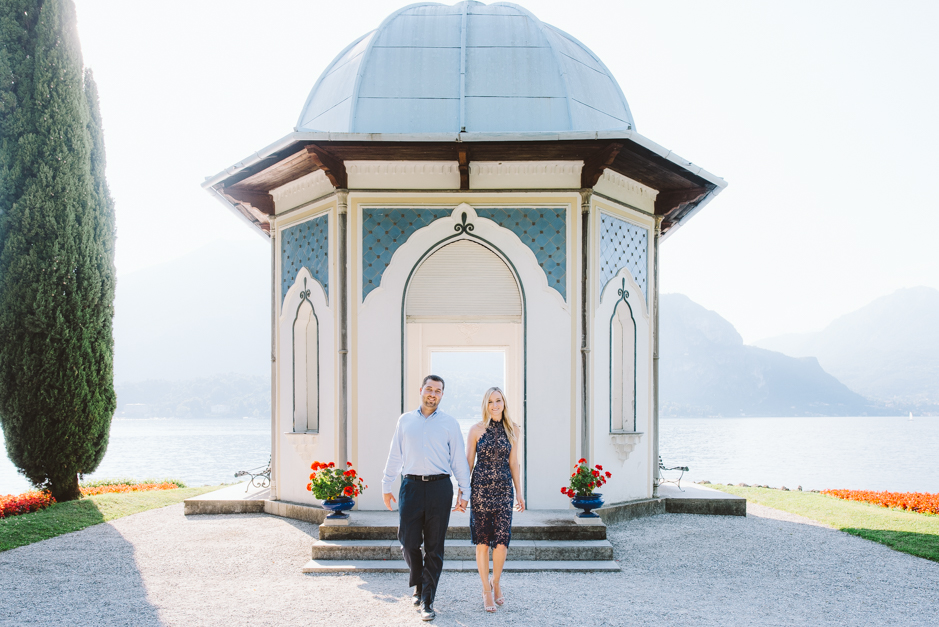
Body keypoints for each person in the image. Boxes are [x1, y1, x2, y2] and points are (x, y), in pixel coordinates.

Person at [382, 374, 471, 622]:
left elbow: (458, 461)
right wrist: (386, 484)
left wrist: (465, 492)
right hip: (410, 486)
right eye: (429, 389)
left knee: (434, 546)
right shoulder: (405, 421)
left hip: (440, 488)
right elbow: (395, 455)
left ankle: (427, 600)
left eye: (438, 391)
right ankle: (419, 584)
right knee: (408, 542)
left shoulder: (450, 424)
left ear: (442, 395)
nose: (433, 394)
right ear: (421, 390)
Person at [464, 386, 524, 613]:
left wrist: (519, 492)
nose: (495, 405)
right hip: (480, 490)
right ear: (485, 405)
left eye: (498, 400)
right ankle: (485, 591)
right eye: (490, 402)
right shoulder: (476, 430)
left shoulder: (514, 430)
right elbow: (468, 463)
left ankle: (496, 582)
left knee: (501, 543)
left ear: (504, 403)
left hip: (504, 491)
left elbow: (514, 463)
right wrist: (462, 493)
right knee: (482, 542)